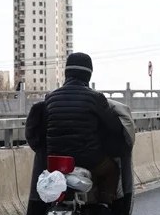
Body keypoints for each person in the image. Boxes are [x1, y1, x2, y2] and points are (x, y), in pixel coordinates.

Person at [26, 52, 127, 205]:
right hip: (89, 159)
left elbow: (41, 131)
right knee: (111, 169)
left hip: (56, 161)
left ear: (67, 73)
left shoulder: (51, 98)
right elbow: (114, 127)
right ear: (88, 75)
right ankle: (104, 206)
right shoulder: (96, 99)